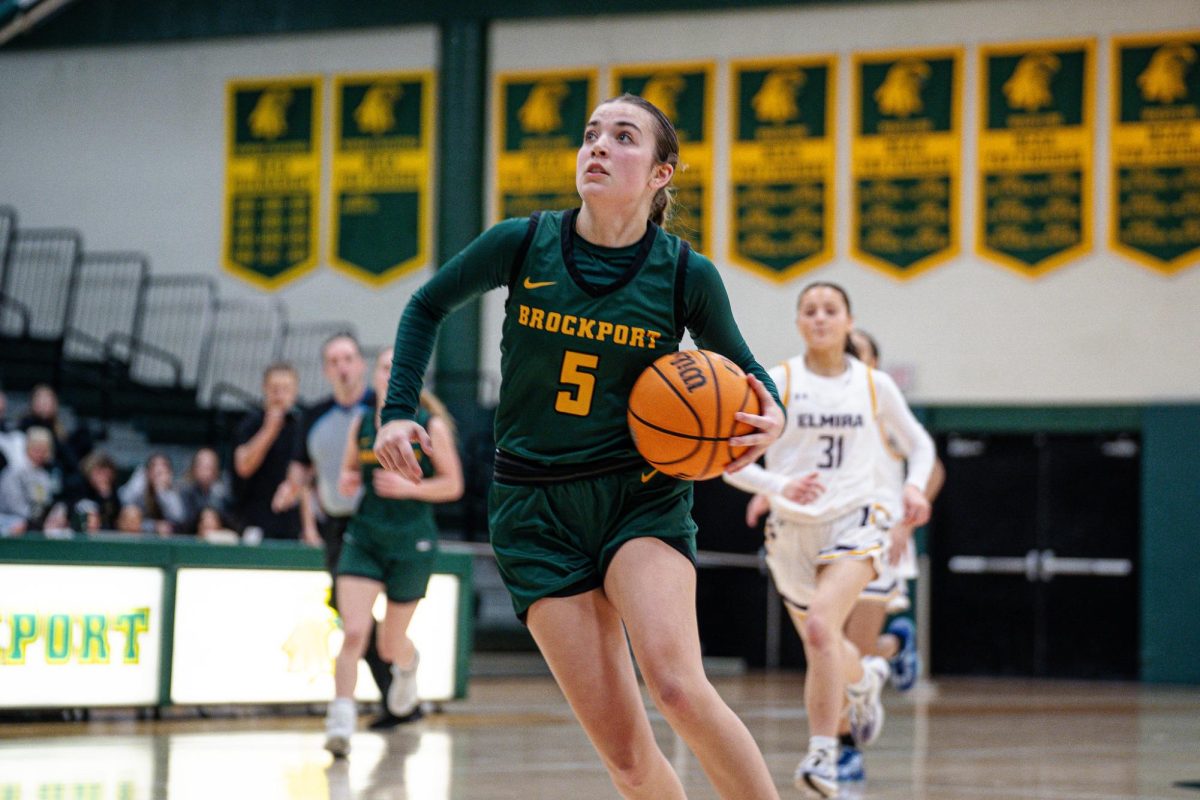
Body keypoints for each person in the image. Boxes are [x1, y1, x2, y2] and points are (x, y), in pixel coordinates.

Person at [373, 94, 785, 799]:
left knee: (679, 688)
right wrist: (396, 410)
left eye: (623, 137)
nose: (597, 146)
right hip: (533, 512)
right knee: (626, 759)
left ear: (661, 174)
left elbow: (753, 379)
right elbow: (426, 306)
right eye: (591, 134)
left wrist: (771, 415)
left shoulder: (686, 276)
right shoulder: (523, 242)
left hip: (638, 497)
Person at [724, 283, 936, 798]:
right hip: (792, 531)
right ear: (798, 322)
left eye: (830, 310)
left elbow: (921, 444)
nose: (819, 318)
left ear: (848, 320)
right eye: (809, 310)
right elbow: (731, 464)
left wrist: (912, 487)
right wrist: (778, 487)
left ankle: (823, 756)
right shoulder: (776, 382)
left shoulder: (872, 385)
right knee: (827, 644)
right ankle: (864, 680)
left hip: (856, 520)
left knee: (821, 627)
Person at [324, 347, 464, 757]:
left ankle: (408, 665)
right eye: (385, 368)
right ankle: (341, 721)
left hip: (411, 540)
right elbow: (350, 470)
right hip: (365, 537)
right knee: (352, 633)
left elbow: (453, 485)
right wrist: (349, 480)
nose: (390, 374)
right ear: (376, 376)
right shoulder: (363, 422)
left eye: (398, 368)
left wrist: (411, 487)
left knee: (390, 645)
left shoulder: (431, 425)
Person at [275, 334, 401, 729]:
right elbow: (302, 471)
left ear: (360, 365)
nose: (342, 366)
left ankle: (399, 688)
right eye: (334, 360)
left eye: (348, 358)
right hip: (338, 526)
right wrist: (289, 489)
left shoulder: (379, 410)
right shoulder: (314, 416)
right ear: (326, 369)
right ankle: (394, 694)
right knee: (352, 618)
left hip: (381, 521)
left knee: (378, 620)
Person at [231, 363, 305, 541]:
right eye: (274, 389)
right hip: (255, 521)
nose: (280, 396)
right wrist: (269, 430)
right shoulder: (250, 423)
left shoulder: (302, 424)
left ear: (295, 391)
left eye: (285, 389)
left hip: (294, 524)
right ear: (265, 389)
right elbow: (243, 467)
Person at [0, 426, 56, 535]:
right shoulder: (14, 471)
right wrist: (34, 519)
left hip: (35, 521)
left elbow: (45, 502)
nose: (40, 454)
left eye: (44, 450)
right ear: (28, 448)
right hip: (9, 519)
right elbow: (14, 505)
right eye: (36, 449)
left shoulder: (43, 475)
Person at [119, 452, 187, 535]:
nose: (158, 472)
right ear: (147, 472)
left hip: (167, 538)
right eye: (153, 467)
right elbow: (125, 503)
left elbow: (178, 519)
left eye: (163, 469)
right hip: (139, 534)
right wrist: (154, 526)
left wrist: (161, 491)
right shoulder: (139, 489)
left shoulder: (174, 491)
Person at [179, 447, 231, 533]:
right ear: (194, 468)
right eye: (203, 466)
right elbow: (183, 524)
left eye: (210, 466)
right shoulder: (184, 493)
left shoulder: (222, 494)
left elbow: (230, 521)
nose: (207, 471)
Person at [70, 449, 122, 531]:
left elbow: (113, 516)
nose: (102, 477)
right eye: (99, 472)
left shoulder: (112, 489)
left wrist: (105, 495)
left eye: (106, 472)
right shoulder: (78, 484)